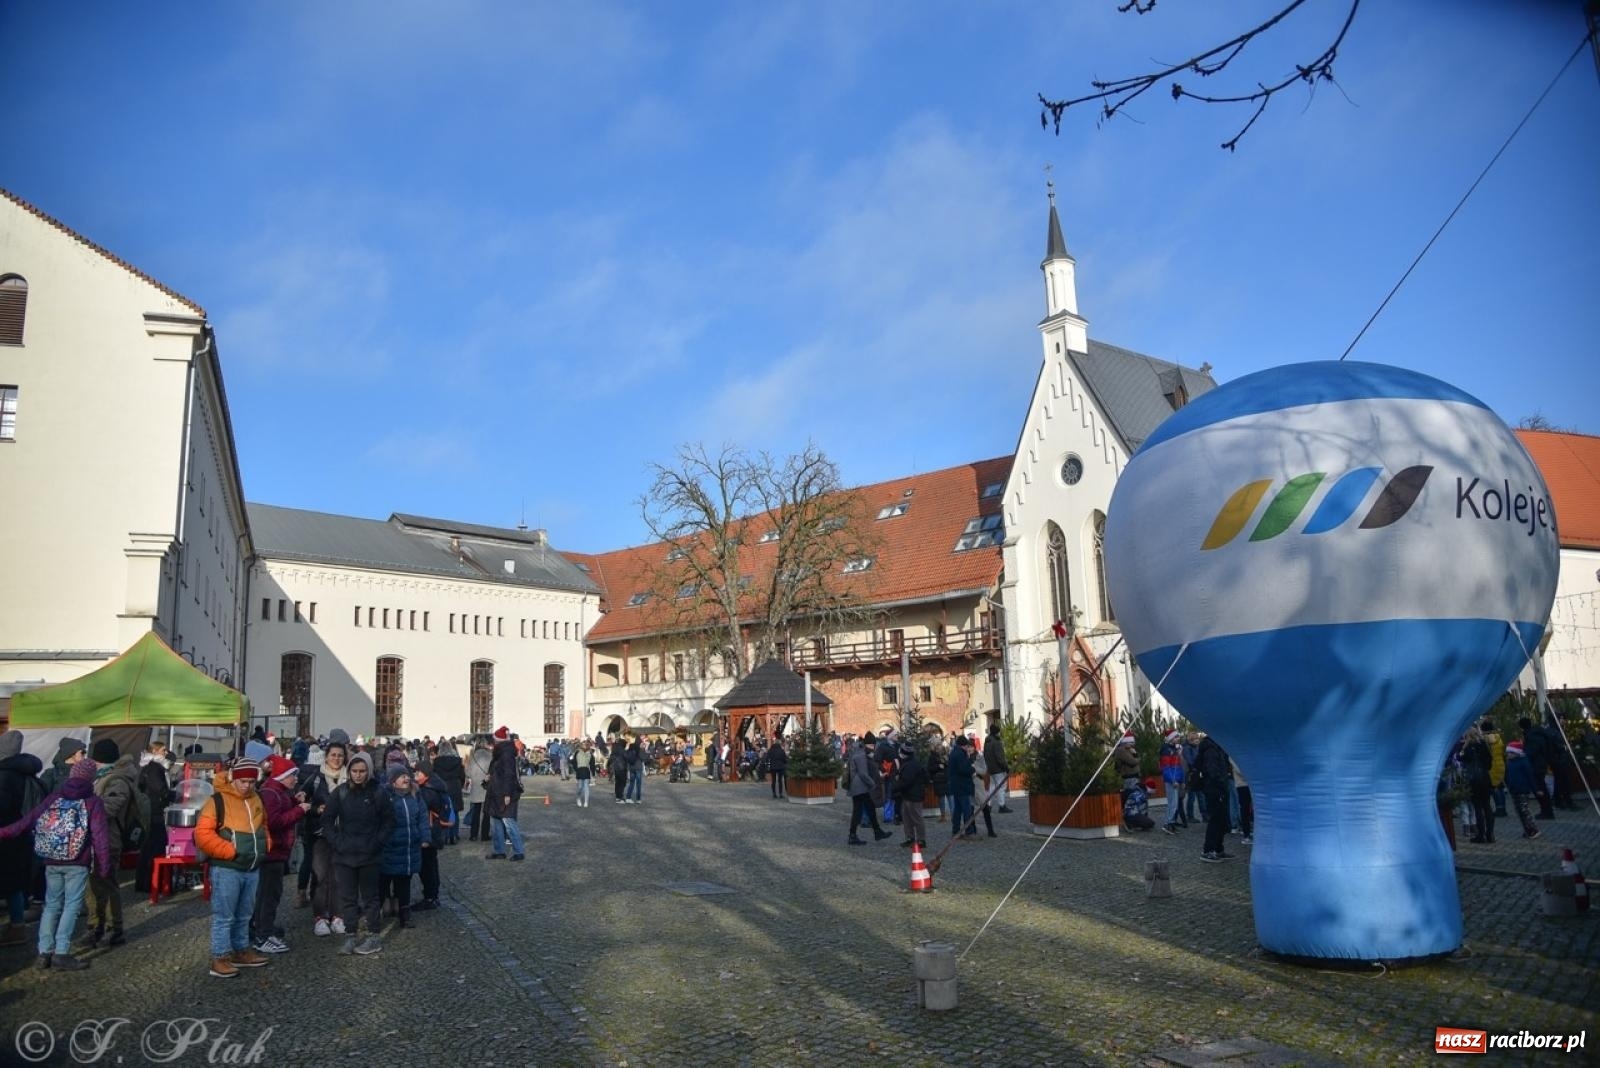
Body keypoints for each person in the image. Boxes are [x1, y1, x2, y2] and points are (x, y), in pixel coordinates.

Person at [1, 756, 112, 971]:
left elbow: (27, 821)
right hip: (77, 862)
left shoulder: (55, 797)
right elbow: (100, 838)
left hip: (51, 859)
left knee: (51, 905)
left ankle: (44, 952)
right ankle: (62, 953)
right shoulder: (93, 802)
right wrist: (104, 867)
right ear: (91, 778)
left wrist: (3, 832)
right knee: (71, 906)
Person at [193, 757, 273, 979]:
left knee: (245, 914)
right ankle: (219, 957)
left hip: (252, 866)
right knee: (224, 915)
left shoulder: (256, 798)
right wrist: (229, 851)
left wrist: (265, 843)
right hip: (227, 867)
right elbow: (202, 834)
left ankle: (241, 951)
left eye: (251, 781)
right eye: (243, 781)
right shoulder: (217, 800)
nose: (247, 786)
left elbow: (263, 823)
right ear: (234, 779)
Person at [323, 752, 393, 955]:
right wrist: (336, 841)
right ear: (349, 771)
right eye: (354, 771)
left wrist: (378, 842)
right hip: (345, 854)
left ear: (368, 771)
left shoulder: (378, 793)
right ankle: (350, 936)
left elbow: (389, 820)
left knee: (371, 898)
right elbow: (327, 819)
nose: (358, 775)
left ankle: (373, 936)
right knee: (348, 898)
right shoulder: (341, 792)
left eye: (362, 771)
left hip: (369, 854)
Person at [85, 738, 140, 950]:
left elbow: (109, 809)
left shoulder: (117, 781)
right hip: (93, 839)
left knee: (107, 885)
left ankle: (113, 929)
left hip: (109, 839)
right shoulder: (99, 778)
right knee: (92, 886)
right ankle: (94, 926)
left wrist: (84, 807)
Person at [252, 756, 307, 954]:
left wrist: (294, 801)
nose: (295, 779)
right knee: (268, 895)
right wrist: (299, 810)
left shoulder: (277, 791)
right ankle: (263, 935)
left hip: (276, 852)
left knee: (269, 893)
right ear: (283, 776)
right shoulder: (271, 793)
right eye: (293, 775)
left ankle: (262, 928)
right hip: (272, 852)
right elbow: (274, 822)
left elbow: (281, 807)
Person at [299, 735, 348, 936]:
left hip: (342, 833)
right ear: (326, 757)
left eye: (340, 755)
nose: (336, 758)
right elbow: (302, 803)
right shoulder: (316, 778)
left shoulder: (351, 777)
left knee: (339, 876)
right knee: (319, 875)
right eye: (333, 755)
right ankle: (320, 916)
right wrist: (316, 809)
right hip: (319, 833)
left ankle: (338, 915)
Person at [0, 731, 44, 947]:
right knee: (13, 883)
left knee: (7, 881)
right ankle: (17, 925)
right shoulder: (29, 773)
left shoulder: (4, 775)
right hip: (23, 835)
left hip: (5, 835)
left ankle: (16, 928)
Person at [379, 764, 427, 928]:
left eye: (407, 775)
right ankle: (376, 914)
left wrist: (424, 836)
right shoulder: (385, 796)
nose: (406, 778)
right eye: (401, 776)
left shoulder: (415, 795)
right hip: (390, 846)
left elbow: (422, 817)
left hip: (408, 846)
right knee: (383, 880)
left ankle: (405, 915)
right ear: (393, 781)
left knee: (404, 882)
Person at [134, 740, 175, 894]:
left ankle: (149, 882)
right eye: (163, 750)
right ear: (156, 751)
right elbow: (159, 789)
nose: (166, 753)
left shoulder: (150, 766)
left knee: (150, 847)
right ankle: (150, 883)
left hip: (153, 809)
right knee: (155, 846)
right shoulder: (154, 767)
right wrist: (173, 795)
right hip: (154, 811)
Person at [413, 762, 451, 909]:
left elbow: (422, 805)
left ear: (425, 773)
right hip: (434, 830)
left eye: (418, 773)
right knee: (430, 864)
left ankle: (430, 897)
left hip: (430, 831)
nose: (415, 776)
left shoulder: (429, 789)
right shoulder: (435, 784)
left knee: (427, 865)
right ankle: (431, 895)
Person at [1194, 733, 1235, 862]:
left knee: (1221, 819)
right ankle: (1208, 850)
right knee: (1216, 819)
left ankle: (1218, 849)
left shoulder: (1216, 747)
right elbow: (1212, 771)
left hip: (1218, 787)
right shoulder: (1211, 749)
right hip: (1214, 789)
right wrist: (1221, 784)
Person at [846, 734, 892, 845]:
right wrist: (872, 784)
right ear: (871, 744)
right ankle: (854, 835)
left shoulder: (859, 752)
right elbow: (863, 773)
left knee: (868, 808)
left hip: (859, 787)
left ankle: (876, 831)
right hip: (860, 787)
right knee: (859, 811)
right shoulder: (861, 755)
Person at [486, 733, 526, 860]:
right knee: (496, 822)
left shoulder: (507, 754)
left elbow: (509, 775)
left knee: (509, 822)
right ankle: (499, 851)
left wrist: (507, 794)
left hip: (505, 793)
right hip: (496, 793)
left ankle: (518, 851)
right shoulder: (499, 754)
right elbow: (496, 771)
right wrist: (489, 777)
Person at [1459, 727, 1495, 844]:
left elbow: (1461, 759)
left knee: (1477, 807)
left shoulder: (1467, 748)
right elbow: (1490, 761)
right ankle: (1491, 834)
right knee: (1487, 806)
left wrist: (1463, 748)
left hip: (1473, 780)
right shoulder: (1484, 745)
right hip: (1484, 777)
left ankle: (1481, 834)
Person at [1502, 741, 1542, 839]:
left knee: (1525, 810)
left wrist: (1536, 789)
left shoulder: (1524, 762)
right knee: (1519, 811)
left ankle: (1533, 829)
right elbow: (1508, 775)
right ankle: (1527, 829)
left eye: (1511, 753)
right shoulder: (1509, 763)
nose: (1509, 755)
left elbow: (1530, 777)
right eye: (1508, 753)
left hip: (1523, 790)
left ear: (1517, 753)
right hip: (1514, 790)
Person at [1518, 717, 1555, 820]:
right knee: (1540, 787)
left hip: (1536, 765)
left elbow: (1532, 751)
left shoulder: (1532, 736)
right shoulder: (1536, 733)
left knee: (1539, 788)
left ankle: (1546, 811)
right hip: (1540, 763)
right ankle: (1546, 810)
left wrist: (1524, 754)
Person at [893, 743, 929, 850]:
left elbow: (906, 781)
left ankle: (921, 840)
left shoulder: (911, 765)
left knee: (916, 818)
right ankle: (910, 838)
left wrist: (896, 786)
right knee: (907, 819)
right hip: (908, 795)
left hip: (914, 795)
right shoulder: (908, 763)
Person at [431, 742, 466, 845]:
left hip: (442, 787)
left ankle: (445, 835)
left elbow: (434, 776)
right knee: (454, 811)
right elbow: (462, 776)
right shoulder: (458, 761)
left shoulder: (436, 762)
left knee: (443, 811)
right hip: (455, 785)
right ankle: (454, 834)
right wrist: (461, 784)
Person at [947, 735, 977, 840]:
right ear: (963, 745)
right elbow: (964, 769)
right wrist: (972, 768)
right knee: (966, 809)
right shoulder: (960, 754)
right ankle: (969, 831)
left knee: (958, 810)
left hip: (956, 785)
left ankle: (956, 831)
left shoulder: (953, 753)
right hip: (962, 785)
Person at [1159, 730, 1188, 834]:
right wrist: (1173, 780)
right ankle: (1168, 823)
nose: (1178, 739)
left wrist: (1182, 780)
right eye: (1175, 737)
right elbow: (1166, 767)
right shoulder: (1166, 750)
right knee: (1173, 803)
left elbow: (1180, 766)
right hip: (1171, 780)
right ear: (1170, 738)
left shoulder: (1175, 749)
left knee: (1174, 803)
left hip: (1176, 779)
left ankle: (1170, 822)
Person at [466, 736, 494, 840]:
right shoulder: (490, 755)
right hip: (486, 785)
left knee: (475, 812)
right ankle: (484, 835)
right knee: (486, 813)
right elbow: (492, 770)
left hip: (476, 786)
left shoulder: (472, 756)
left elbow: (467, 773)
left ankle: (473, 835)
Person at [1481, 719, 1508, 818]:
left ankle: (1499, 808)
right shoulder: (1498, 738)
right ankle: (1503, 808)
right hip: (1500, 763)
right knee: (1500, 786)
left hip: (1491, 765)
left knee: (1494, 787)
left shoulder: (1485, 739)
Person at [984, 724, 1012, 813]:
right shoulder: (996, 742)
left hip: (989, 768)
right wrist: (1006, 768)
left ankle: (988, 805)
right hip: (998, 769)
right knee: (1001, 787)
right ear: (996, 733)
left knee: (991, 787)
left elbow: (985, 755)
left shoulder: (987, 741)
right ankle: (1002, 805)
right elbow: (1000, 758)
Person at [572, 737, 598, 807]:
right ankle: (578, 798)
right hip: (579, 771)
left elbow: (592, 764)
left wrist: (593, 774)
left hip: (586, 771)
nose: (584, 745)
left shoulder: (590, 754)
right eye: (583, 744)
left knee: (586, 786)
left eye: (586, 744)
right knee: (580, 787)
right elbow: (574, 762)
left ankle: (586, 802)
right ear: (581, 745)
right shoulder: (577, 752)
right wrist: (576, 769)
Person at [624, 735, 645, 804]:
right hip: (638, 767)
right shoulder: (640, 747)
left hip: (631, 767)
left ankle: (628, 797)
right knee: (638, 784)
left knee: (631, 783)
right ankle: (638, 799)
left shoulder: (631, 746)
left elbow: (627, 755)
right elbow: (642, 757)